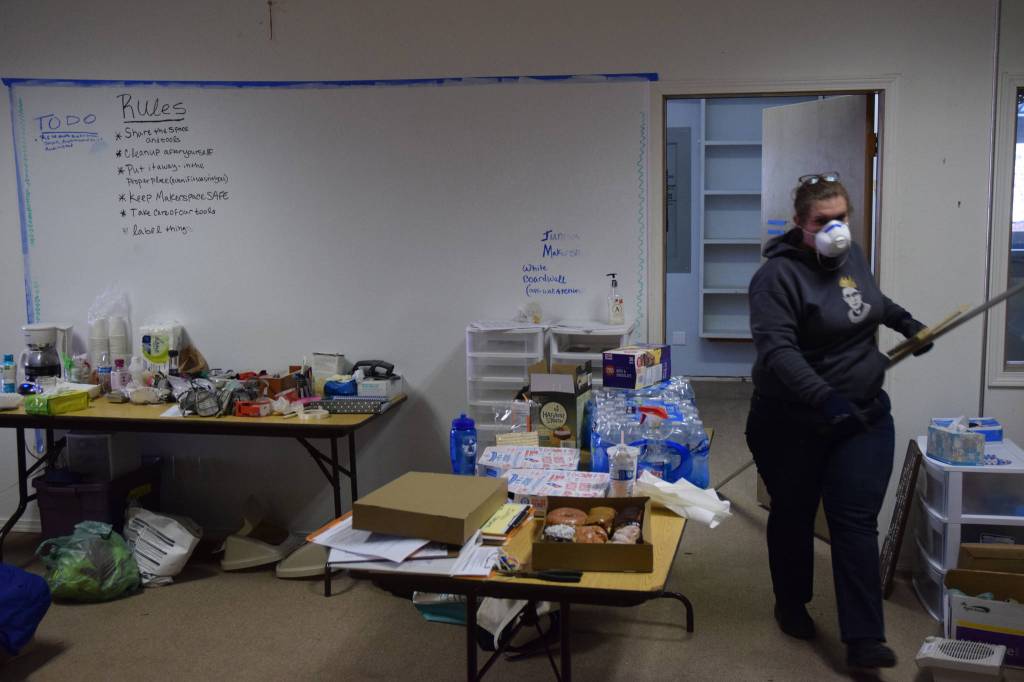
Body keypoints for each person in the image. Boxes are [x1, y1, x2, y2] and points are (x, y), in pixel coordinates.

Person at [745, 173, 930, 670]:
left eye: (842, 218)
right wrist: (823, 397)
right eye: (824, 221)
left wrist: (906, 322)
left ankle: (865, 639)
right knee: (793, 514)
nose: (836, 229)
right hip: (791, 419)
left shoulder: (853, 256)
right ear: (801, 226)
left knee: (853, 521)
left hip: (863, 415)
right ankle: (791, 601)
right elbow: (779, 351)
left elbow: (869, 302)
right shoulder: (774, 279)